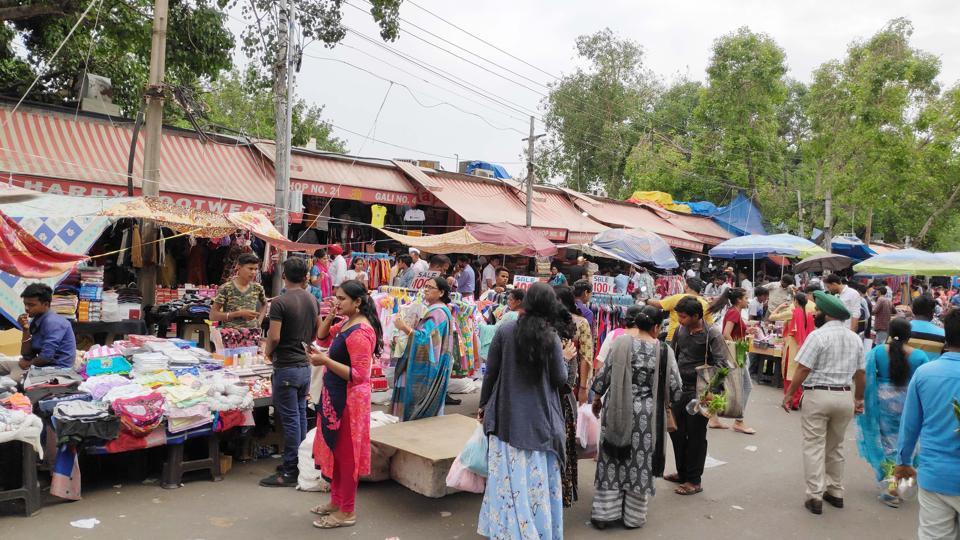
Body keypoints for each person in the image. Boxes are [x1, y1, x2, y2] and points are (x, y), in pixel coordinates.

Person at [477, 283, 567, 539]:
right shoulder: (551, 336)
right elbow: (560, 378)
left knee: (507, 483)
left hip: (507, 419)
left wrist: (484, 406)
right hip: (541, 422)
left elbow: (490, 374)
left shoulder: (505, 330)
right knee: (536, 487)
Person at [589, 305, 682, 530]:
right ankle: (633, 517)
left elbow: (604, 375)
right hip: (647, 417)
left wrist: (597, 398)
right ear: (656, 327)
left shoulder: (621, 343)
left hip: (617, 410)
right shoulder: (664, 351)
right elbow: (676, 388)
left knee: (613, 459)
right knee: (639, 462)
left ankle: (605, 514)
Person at [782, 290, 866, 515]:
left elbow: (803, 368)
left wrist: (790, 394)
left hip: (818, 396)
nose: (815, 314)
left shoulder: (817, 336)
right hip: (844, 396)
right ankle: (836, 491)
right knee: (836, 447)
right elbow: (861, 373)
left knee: (814, 446)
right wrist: (859, 398)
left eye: (818, 310)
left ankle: (815, 495)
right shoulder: (854, 337)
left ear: (826, 314)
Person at [307, 280, 382, 529]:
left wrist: (324, 362)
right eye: (335, 297)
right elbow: (322, 338)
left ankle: (347, 510)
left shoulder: (361, 331)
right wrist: (329, 317)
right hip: (335, 395)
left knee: (346, 456)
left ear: (358, 302)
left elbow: (360, 374)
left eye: (342, 299)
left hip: (350, 401)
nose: (337, 302)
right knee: (336, 452)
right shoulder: (347, 323)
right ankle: (336, 500)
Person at [894, 309, 960, 539]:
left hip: (936, 475)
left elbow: (910, 426)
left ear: (946, 337)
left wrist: (903, 462)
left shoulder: (925, 374)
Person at [260, 258, 322, 487]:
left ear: (284, 275)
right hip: (303, 366)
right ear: (305, 276)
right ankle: (299, 462)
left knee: (292, 420)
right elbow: (317, 330)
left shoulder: (280, 302)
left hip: (286, 366)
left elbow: (274, 336)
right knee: (299, 417)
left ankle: (289, 471)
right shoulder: (312, 299)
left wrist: (268, 351)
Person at [855, 318, 927, 508]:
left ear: (888, 332)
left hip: (882, 402)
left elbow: (865, 374)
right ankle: (903, 486)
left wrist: (860, 399)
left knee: (887, 445)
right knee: (909, 444)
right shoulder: (919, 356)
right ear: (909, 336)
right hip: (908, 403)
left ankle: (891, 488)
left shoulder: (877, 352)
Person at [665, 296, 731, 496]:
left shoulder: (713, 334)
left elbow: (723, 365)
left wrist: (710, 391)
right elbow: (673, 356)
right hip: (679, 389)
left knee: (695, 436)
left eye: (684, 317)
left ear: (696, 316)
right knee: (676, 432)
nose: (680, 320)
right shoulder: (680, 330)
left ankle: (694, 480)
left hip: (701, 392)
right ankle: (682, 472)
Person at [391, 277, 458, 420]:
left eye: (430, 287)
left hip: (426, 367)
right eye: (425, 286)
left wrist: (404, 327)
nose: (426, 289)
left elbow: (424, 338)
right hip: (432, 362)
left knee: (416, 403)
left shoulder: (437, 313)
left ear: (441, 293)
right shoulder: (438, 310)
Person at [554, 285, 593, 507]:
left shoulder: (580, 323)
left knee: (565, 437)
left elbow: (586, 356)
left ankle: (564, 487)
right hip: (553, 385)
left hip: (569, 384)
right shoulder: (545, 323)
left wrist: (583, 387)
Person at [706, 288, 756, 434]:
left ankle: (713, 417)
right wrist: (734, 351)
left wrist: (746, 331)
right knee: (746, 387)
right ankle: (739, 421)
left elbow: (731, 332)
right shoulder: (734, 312)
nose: (748, 300)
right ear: (739, 300)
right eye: (746, 298)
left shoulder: (734, 311)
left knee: (724, 386)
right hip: (735, 355)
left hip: (733, 354)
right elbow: (726, 333)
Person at [5, 283, 77, 378]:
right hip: (38, 366)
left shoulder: (53, 323)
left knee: (7, 382)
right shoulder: (35, 320)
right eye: (25, 304)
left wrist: (28, 364)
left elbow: (46, 357)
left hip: (56, 371)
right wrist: (25, 330)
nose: (26, 308)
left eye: (31, 305)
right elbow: (26, 354)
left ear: (46, 304)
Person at [770, 292, 816, 410]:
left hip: (793, 345)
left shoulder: (792, 312)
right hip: (804, 345)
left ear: (795, 301)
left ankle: (790, 399)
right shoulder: (810, 313)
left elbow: (772, 317)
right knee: (799, 372)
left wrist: (779, 307)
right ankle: (796, 399)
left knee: (789, 372)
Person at [211, 253, 268, 330]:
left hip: (252, 335)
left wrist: (259, 323)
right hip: (231, 336)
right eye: (250, 269)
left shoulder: (257, 288)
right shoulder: (226, 288)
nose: (254, 272)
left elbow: (264, 304)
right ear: (239, 267)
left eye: (256, 269)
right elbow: (213, 315)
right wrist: (238, 314)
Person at [647, 277, 714, 342]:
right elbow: (710, 325)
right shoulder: (705, 304)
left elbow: (659, 304)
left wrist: (647, 300)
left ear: (686, 286)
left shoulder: (678, 297)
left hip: (673, 338)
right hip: (695, 341)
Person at [908, 294, 946, 362]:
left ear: (913, 310)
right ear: (932, 312)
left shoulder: (900, 330)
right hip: (930, 372)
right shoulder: (942, 334)